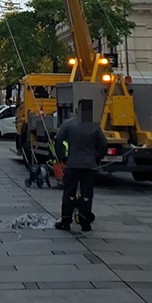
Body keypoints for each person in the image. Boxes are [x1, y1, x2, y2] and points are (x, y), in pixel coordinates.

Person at [54, 100, 108, 233]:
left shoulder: (68, 124)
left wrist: (62, 157)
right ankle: (85, 222)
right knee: (87, 194)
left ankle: (66, 221)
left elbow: (59, 140)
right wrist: (97, 158)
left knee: (69, 193)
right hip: (89, 165)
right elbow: (103, 144)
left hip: (72, 164)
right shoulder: (94, 126)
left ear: (77, 110)